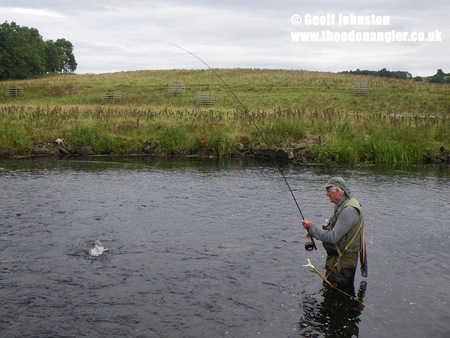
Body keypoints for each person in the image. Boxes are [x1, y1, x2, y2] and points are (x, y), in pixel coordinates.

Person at [302, 177, 367, 289]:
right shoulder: (343, 206)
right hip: (339, 260)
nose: (326, 194)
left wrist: (311, 228)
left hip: (342, 263)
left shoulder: (349, 210)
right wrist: (313, 232)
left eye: (328, 191)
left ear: (337, 191)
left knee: (337, 293)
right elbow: (335, 232)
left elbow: (333, 237)